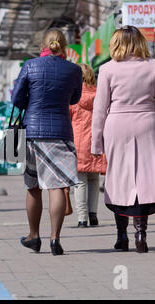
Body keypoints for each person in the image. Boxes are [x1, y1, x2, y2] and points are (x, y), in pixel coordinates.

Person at [91, 25, 155, 253]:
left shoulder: (107, 69)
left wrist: (96, 143)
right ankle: (141, 234)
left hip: (116, 124)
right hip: (147, 123)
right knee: (145, 178)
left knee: (120, 177)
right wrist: (154, 106)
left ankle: (122, 236)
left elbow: (100, 108)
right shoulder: (154, 65)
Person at [11, 28, 82, 255]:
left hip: (33, 133)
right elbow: (75, 98)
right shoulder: (74, 70)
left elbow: (16, 99)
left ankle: (34, 236)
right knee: (58, 186)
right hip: (61, 132)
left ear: (43, 44)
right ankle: (55, 239)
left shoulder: (30, 66)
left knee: (33, 187)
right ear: (65, 45)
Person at [69, 63, 107, 228]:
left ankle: (82, 218)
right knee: (94, 179)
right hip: (97, 141)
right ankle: (94, 215)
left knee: (80, 181)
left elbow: (67, 119)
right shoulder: (100, 94)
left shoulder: (72, 96)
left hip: (78, 142)